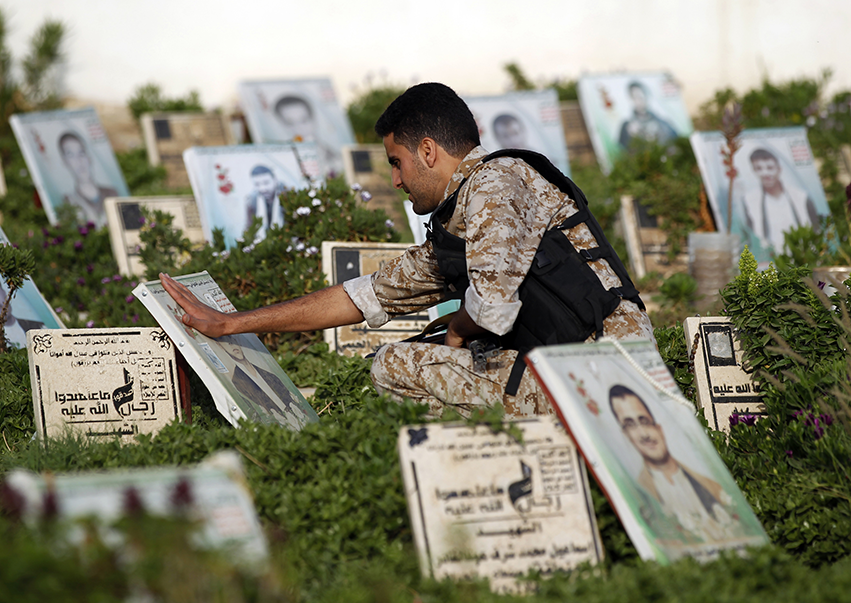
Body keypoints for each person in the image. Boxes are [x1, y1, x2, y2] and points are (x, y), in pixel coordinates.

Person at [161, 83, 653, 419]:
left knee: (391, 366)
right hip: (574, 364)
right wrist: (232, 324)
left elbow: (493, 308)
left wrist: (458, 330)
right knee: (416, 352)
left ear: (429, 151)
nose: (394, 180)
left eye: (396, 163)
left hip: (609, 375)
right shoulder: (458, 220)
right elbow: (364, 297)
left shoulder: (496, 183)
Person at [608, 384, 740, 542]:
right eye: (630, 425)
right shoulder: (640, 496)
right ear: (626, 435)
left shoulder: (712, 486)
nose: (643, 434)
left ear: (659, 428)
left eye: (644, 421)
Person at [740, 148, 820, 253]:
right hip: (770, 262)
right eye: (759, 168)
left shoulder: (801, 197)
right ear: (754, 171)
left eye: (770, 168)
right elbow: (750, 237)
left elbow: (816, 230)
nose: (765, 173)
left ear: (779, 169)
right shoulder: (749, 201)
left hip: (805, 258)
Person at [58, 132, 118, 224]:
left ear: (88, 157)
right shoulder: (69, 202)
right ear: (65, 162)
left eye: (81, 152)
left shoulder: (111, 193)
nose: (79, 160)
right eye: (71, 155)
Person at [617, 81, 678, 149]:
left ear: (647, 96)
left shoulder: (663, 124)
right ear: (631, 99)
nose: (639, 100)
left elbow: (676, 141)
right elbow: (624, 151)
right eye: (635, 97)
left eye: (641, 96)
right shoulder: (626, 126)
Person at [244, 165, 285, 242]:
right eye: (257, 184)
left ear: (275, 180)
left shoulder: (288, 196)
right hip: (264, 245)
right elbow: (250, 227)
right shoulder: (252, 201)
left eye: (266, 183)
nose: (262, 188)